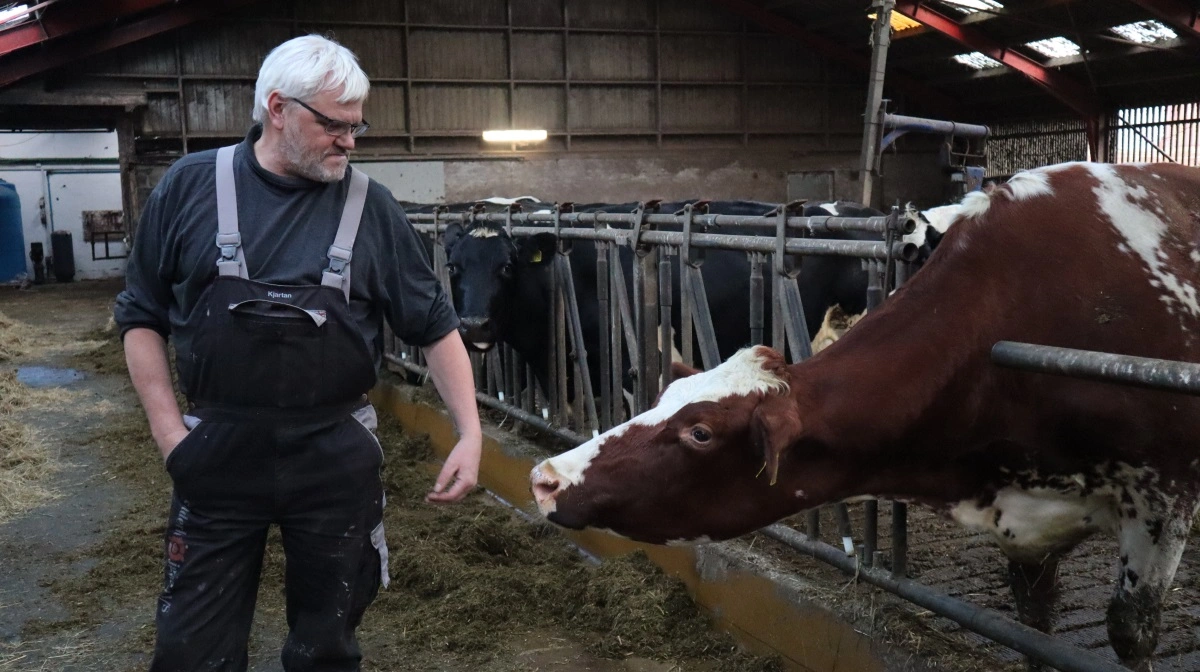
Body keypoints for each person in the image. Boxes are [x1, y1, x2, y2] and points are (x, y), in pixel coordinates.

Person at [114, 34, 482, 671]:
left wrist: (471, 433)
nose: (349, 141)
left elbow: (435, 326)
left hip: (334, 451)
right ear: (277, 109)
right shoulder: (189, 187)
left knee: (327, 647)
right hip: (216, 449)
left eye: (356, 124)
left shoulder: (371, 207)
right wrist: (171, 434)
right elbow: (140, 317)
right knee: (190, 651)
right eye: (333, 125)